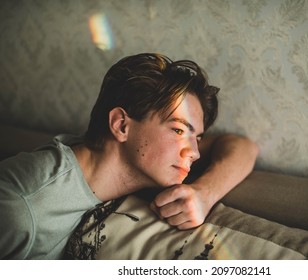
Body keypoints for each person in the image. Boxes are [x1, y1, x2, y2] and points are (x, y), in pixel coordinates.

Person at [0, 53, 258, 259]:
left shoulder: (131, 159)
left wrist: (204, 194)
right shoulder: (20, 207)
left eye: (197, 138)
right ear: (122, 125)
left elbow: (242, 147)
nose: (194, 152)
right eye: (179, 130)